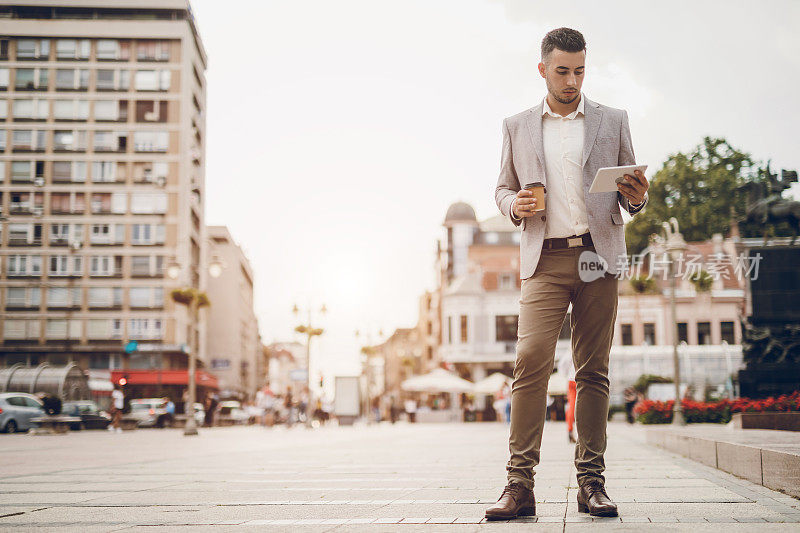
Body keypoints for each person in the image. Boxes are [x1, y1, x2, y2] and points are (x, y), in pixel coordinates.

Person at [485, 28, 649, 522]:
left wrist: (638, 195)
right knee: (530, 361)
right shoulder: (517, 126)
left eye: (579, 70)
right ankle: (519, 484)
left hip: (599, 253)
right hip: (545, 258)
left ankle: (591, 483)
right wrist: (514, 204)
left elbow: (630, 194)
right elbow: (501, 189)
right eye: (562, 70)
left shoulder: (612, 119)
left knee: (593, 369)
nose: (572, 80)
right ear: (543, 69)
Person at [557, 352, 577, 443]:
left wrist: (567, 374)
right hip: (581, 378)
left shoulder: (570, 351)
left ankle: (570, 429)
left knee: (571, 405)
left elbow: (561, 365)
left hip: (571, 379)